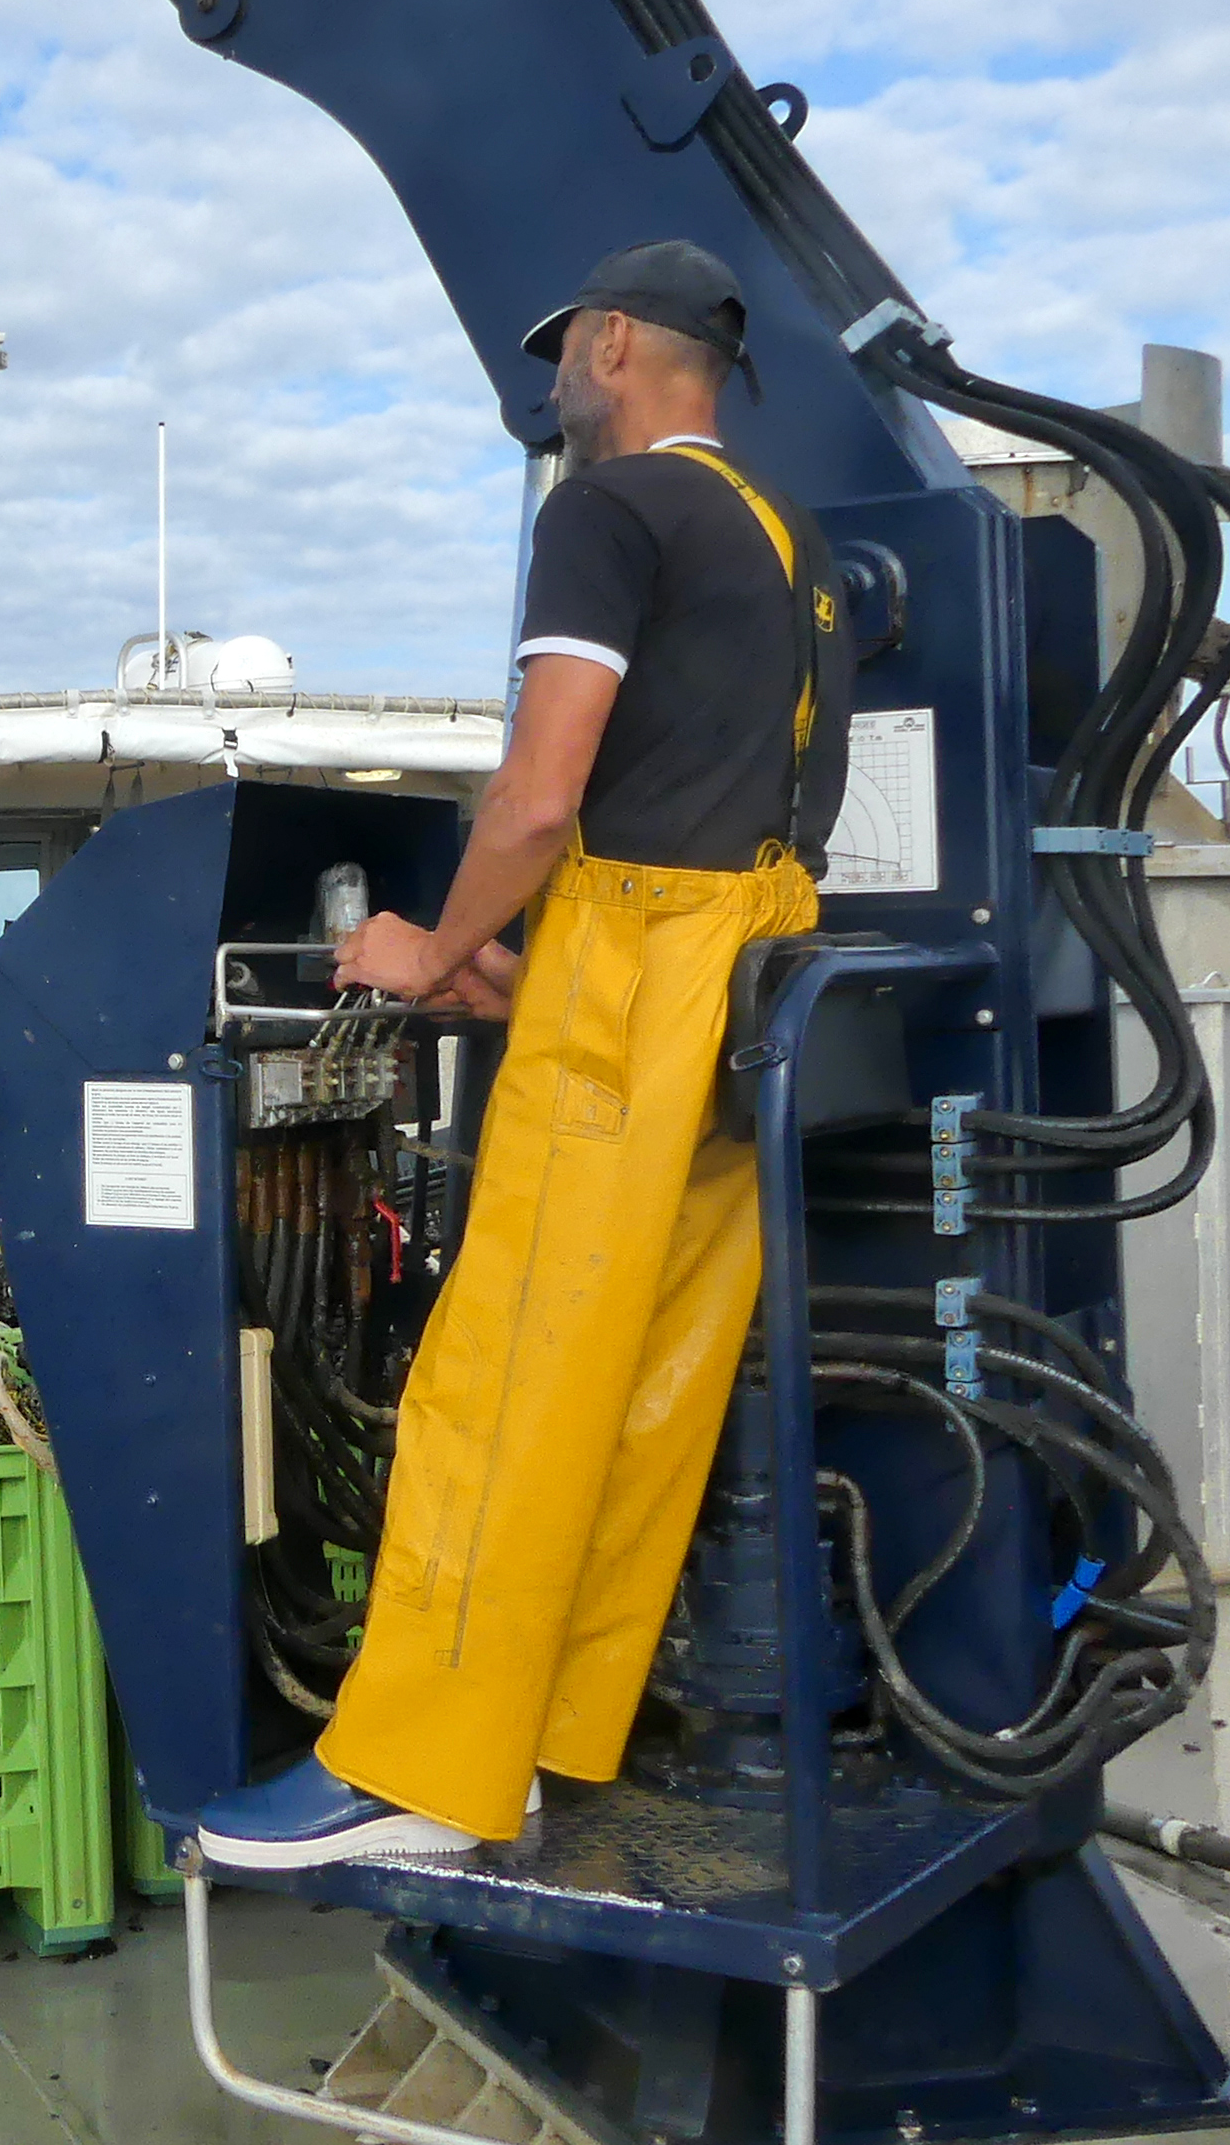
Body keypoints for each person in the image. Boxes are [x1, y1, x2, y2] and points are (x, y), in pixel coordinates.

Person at [196, 238, 851, 1869]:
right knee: (637, 1388)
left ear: (617, 347)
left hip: (635, 981)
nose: (555, 382)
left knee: (498, 1385)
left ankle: (422, 1769)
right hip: (746, 990)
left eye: (568, 352)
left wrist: (427, 951)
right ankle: (549, 1738)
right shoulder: (793, 543)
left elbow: (546, 795)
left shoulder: (604, 511)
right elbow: (717, 816)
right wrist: (527, 975)